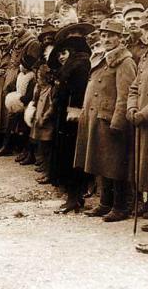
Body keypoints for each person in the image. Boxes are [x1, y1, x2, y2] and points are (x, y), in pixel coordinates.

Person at [74, 19, 136, 222]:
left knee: (115, 164)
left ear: (121, 38)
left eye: (111, 35)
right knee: (102, 163)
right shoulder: (102, 57)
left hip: (110, 119)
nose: (107, 39)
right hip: (96, 118)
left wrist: (118, 121)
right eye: (104, 35)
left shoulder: (125, 62)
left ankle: (121, 206)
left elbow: (125, 94)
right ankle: (105, 203)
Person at [127, 8, 148, 254]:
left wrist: (144, 113)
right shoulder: (146, 56)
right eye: (146, 28)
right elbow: (135, 86)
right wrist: (130, 108)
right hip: (144, 126)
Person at [48, 31, 92, 214]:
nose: (61, 57)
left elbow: (78, 91)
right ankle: (74, 196)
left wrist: (73, 109)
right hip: (64, 115)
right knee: (68, 155)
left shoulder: (79, 65)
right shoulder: (76, 63)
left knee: (69, 155)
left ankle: (74, 197)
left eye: (64, 52)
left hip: (70, 118)